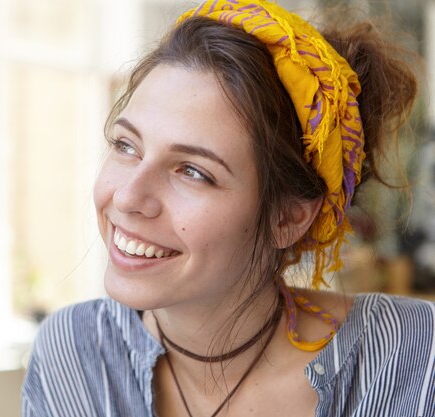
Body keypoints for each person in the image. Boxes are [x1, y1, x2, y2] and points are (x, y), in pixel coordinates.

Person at [21, 1, 435, 416]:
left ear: (287, 217)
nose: (127, 198)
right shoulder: (71, 356)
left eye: (192, 172)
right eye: (126, 146)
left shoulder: (412, 359)